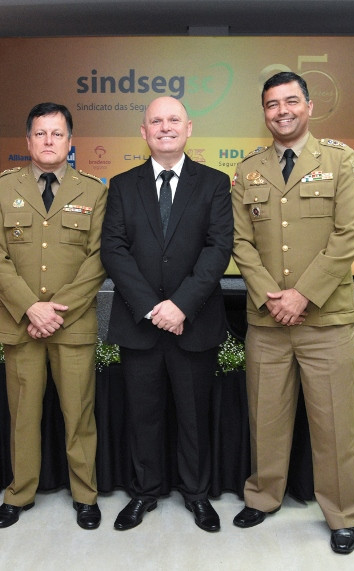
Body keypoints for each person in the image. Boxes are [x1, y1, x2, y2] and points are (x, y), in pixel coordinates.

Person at [231, 71, 354, 554]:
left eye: (291, 101)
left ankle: (343, 514)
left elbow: (349, 234)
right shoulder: (248, 170)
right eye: (272, 104)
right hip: (267, 320)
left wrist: (303, 295)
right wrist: (273, 295)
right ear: (264, 113)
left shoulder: (339, 160)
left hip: (325, 320)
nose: (282, 111)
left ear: (309, 106)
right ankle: (263, 496)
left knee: (334, 425)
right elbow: (240, 242)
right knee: (265, 418)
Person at [101, 96, 233, 532]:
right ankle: (144, 491)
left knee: (194, 416)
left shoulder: (214, 183)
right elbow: (113, 250)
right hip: (139, 324)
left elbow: (218, 249)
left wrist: (181, 306)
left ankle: (197, 494)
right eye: (155, 121)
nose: (165, 127)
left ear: (189, 128)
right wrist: (151, 308)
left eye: (173, 119)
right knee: (143, 416)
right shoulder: (122, 185)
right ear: (143, 132)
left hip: (193, 323)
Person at [0, 102, 107, 530]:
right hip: (20, 323)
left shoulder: (94, 191)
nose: (48, 141)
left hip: (73, 324)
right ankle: (19, 493)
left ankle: (85, 495)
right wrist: (30, 307)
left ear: (71, 141)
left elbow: (98, 259)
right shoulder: (3, 187)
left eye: (57, 133)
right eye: (40, 133)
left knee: (79, 415)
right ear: (28, 140)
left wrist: (56, 310)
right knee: (23, 415)